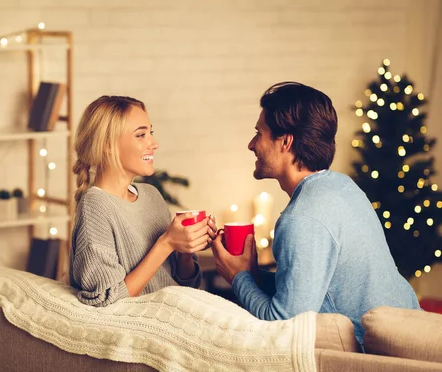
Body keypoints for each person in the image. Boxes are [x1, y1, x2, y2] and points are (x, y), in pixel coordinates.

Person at [211, 81, 420, 345]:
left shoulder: (301, 219)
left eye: (259, 134)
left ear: (286, 141)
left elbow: (283, 324)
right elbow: (307, 289)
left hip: (377, 354)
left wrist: (236, 277)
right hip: (406, 330)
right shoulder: (341, 185)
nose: (251, 144)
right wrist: (250, 273)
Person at [70, 95, 216, 307]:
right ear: (107, 145)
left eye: (151, 133)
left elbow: (187, 284)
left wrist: (185, 249)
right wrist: (166, 244)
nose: (154, 144)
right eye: (141, 135)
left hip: (180, 312)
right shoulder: (95, 206)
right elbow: (105, 299)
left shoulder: (151, 195)